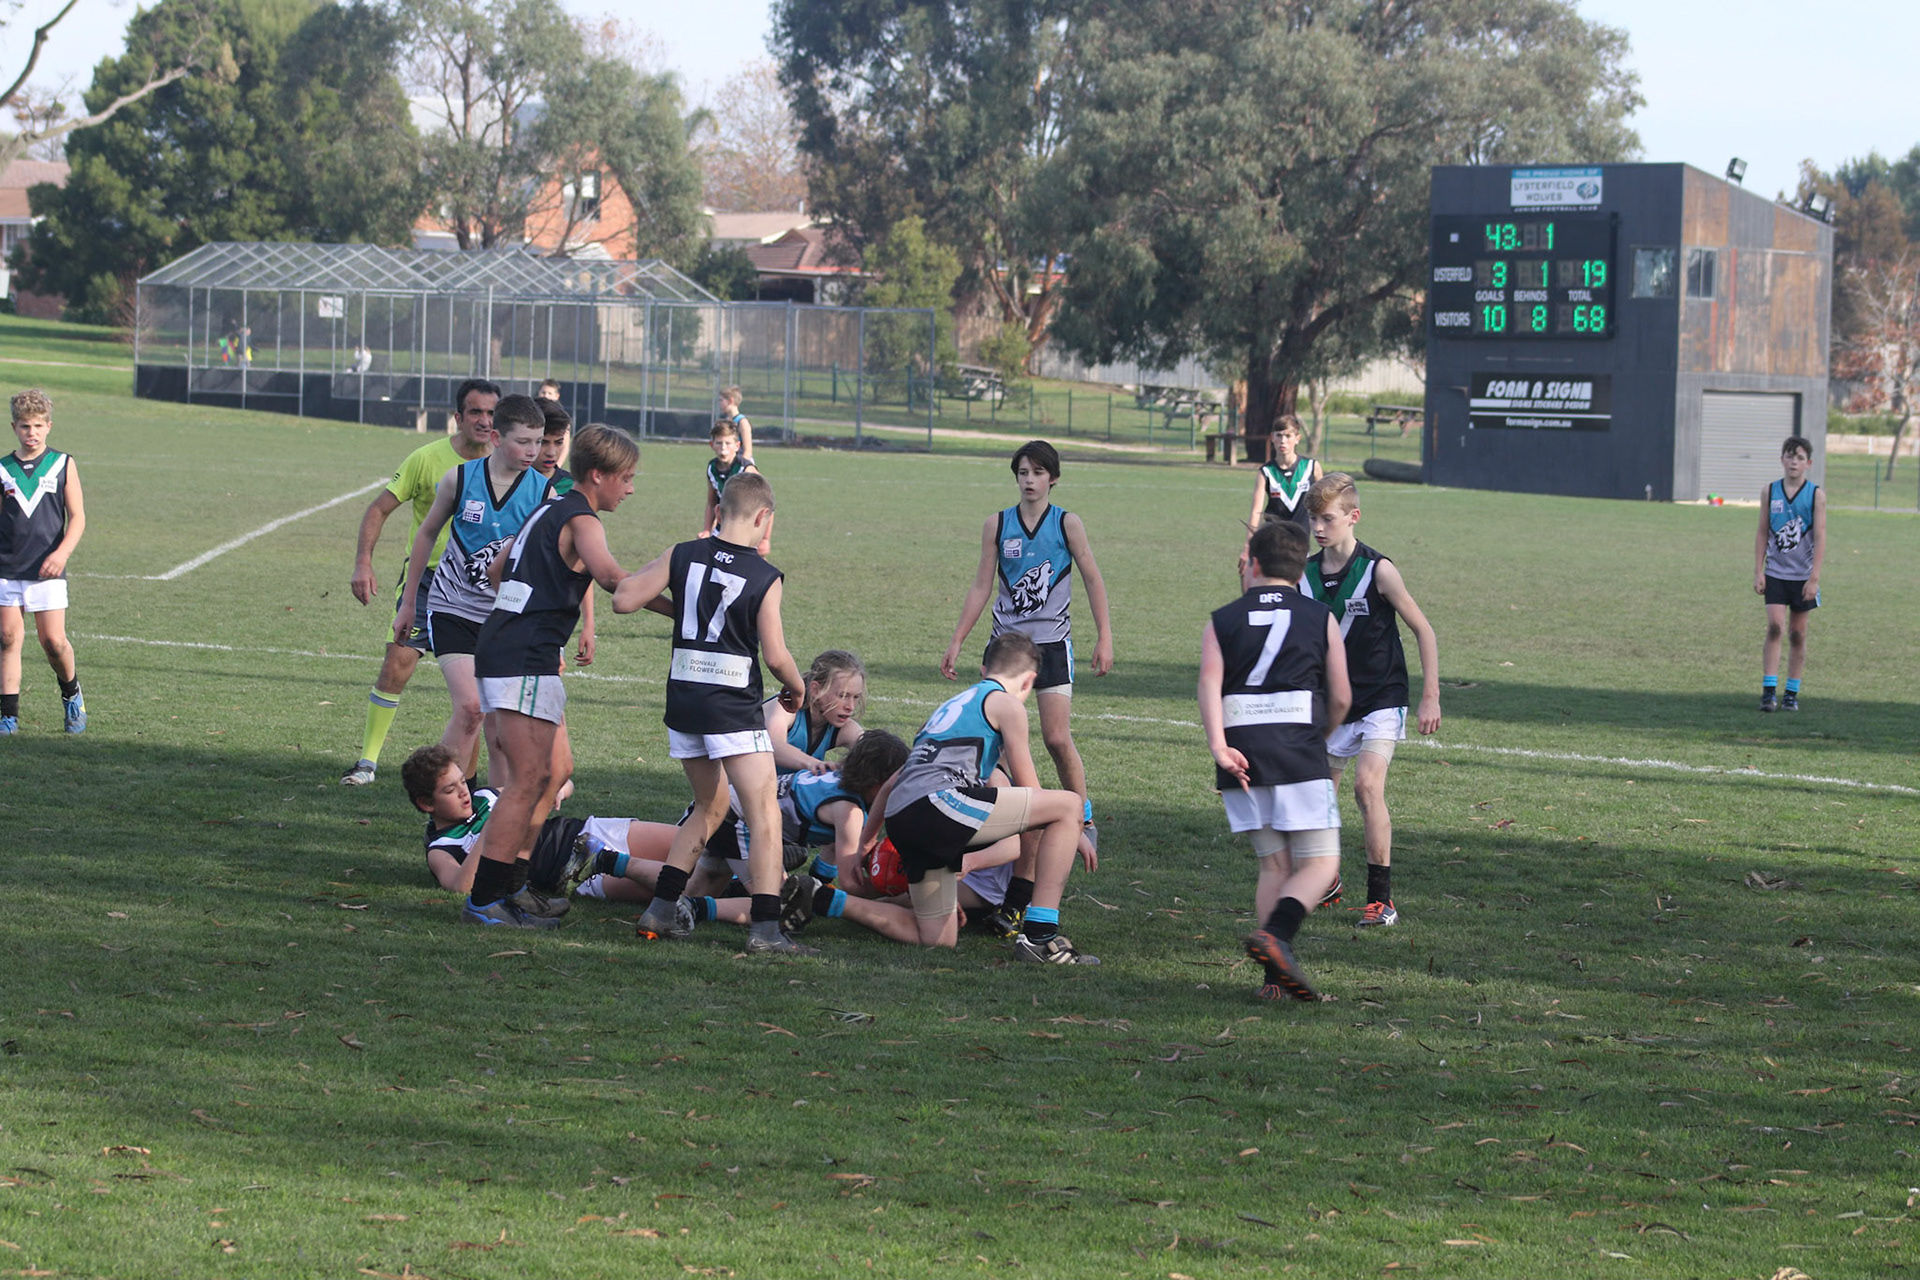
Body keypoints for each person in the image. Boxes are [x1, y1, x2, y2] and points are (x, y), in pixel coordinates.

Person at [614, 470, 811, 954]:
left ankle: (660, 909)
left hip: (685, 702)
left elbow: (624, 598)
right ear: (764, 518)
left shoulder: (682, 553)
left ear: (719, 511)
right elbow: (775, 655)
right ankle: (766, 930)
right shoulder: (765, 576)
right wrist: (797, 687)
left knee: (709, 806)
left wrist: (682, 609)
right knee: (764, 816)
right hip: (732, 706)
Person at [458, 424, 640, 927]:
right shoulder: (582, 519)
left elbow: (497, 570)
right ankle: (486, 900)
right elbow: (612, 578)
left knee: (555, 772)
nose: (630, 489)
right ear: (598, 475)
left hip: (515, 650)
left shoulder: (546, 507)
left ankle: (517, 885)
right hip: (523, 656)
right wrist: (683, 602)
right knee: (527, 781)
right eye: (626, 478)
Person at [866, 632, 1100, 962]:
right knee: (1068, 804)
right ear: (1029, 680)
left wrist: (864, 842)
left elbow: (894, 781)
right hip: (937, 806)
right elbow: (1030, 789)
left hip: (902, 816)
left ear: (984, 669)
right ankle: (1039, 938)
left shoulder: (949, 707)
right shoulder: (1007, 704)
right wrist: (1075, 828)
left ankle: (825, 900)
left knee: (938, 938)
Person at [940, 439, 1113, 873]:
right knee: (996, 741)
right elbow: (981, 585)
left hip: (1052, 645)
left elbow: (1092, 578)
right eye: (1023, 473)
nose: (1029, 480)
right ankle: (1006, 824)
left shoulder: (1067, 524)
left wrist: (1104, 636)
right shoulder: (997, 525)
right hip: (1007, 649)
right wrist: (958, 639)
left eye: (1038, 472)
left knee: (1056, 739)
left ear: (1053, 479)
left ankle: (1083, 816)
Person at [1199, 520, 1350, 1001]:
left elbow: (1209, 684)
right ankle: (1277, 936)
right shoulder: (1320, 616)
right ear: (1300, 571)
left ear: (1254, 564)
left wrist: (1218, 746)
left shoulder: (1222, 619)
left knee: (1274, 867)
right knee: (1321, 865)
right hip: (1297, 748)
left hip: (1241, 752)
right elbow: (1342, 696)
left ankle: (1273, 981)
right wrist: (1318, 736)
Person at [341, 378, 498, 786]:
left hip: (481, 588)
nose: (484, 421)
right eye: (476, 412)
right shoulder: (427, 459)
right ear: (458, 417)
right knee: (398, 663)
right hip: (427, 580)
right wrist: (363, 563)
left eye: (491, 413)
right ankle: (366, 763)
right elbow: (379, 508)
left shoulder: (506, 465)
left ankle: (468, 785)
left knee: (476, 695)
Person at [1301, 473, 1440, 928]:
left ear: (1353, 517)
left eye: (1327, 518)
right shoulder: (1304, 575)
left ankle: (1382, 901)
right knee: (1318, 795)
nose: (1318, 528)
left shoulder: (1378, 570)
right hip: (1334, 703)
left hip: (1382, 696)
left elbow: (1423, 629)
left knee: (1366, 786)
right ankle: (1328, 879)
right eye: (1313, 519)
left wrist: (1430, 697)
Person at [397, 395, 553, 779]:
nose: (533, 451)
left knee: (501, 730)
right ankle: (441, 797)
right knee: (470, 709)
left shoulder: (544, 495)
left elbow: (548, 567)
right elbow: (426, 535)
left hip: (504, 620)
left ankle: (492, 806)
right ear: (497, 438)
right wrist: (408, 602)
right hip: (452, 608)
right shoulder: (460, 479)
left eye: (538, 441)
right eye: (523, 441)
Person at [1, 388, 87, 735]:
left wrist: (61, 553)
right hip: (7, 567)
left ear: (49, 426)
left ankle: (72, 695)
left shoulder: (63, 463)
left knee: (53, 642)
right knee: (7, 637)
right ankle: (8, 715)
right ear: (14, 427)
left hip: (47, 568)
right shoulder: (3, 469)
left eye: (38, 425)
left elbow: (77, 517)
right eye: (25, 426)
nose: (31, 433)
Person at [1754, 435, 1825, 712]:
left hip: (1802, 577)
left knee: (1797, 634)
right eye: (1790, 456)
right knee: (1775, 627)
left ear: (1808, 463)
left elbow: (1820, 536)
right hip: (1775, 573)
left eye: (1800, 458)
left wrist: (1814, 578)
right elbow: (1762, 532)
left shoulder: (1815, 495)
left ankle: (1791, 693)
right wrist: (1758, 571)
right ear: (1782, 460)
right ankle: (1769, 692)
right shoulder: (1770, 492)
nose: (1794, 462)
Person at [535, 404, 595, 665]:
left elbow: (583, 559)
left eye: (558, 442)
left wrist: (589, 622)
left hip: (549, 606)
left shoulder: (571, 487)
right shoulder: (508, 480)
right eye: (543, 442)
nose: (551, 452)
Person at [766, 649, 867, 775]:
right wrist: (813, 764)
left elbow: (871, 752)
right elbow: (772, 746)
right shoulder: (785, 706)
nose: (850, 706)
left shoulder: (842, 726)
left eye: (856, 697)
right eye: (843, 696)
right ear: (816, 690)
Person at [701, 417, 770, 555]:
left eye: (728, 443)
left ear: (737, 446)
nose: (723, 448)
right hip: (724, 525)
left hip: (746, 525)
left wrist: (765, 539)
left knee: (750, 563)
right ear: (712, 445)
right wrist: (707, 530)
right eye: (719, 443)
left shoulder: (746, 470)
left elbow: (767, 504)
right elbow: (711, 503)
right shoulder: (711, 468)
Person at [1248, 416, 1321, 534]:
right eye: (1279, 435)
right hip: (1273, 537)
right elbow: (1256, 511)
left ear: (1297, 438)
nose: (1283, 441)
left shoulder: (1311, 467)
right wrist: (1249, 541)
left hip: (1300, 539)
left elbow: (1323, 505)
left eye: (1288, 436)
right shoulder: (1266, 472)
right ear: (1272, 437)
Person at [718, 384, 755, 464]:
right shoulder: (725, 421)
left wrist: (739, 467)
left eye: (721, 400)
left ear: (730, 401)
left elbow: (748, 452)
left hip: (743, 464)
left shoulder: (742, 422)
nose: (719, 404)